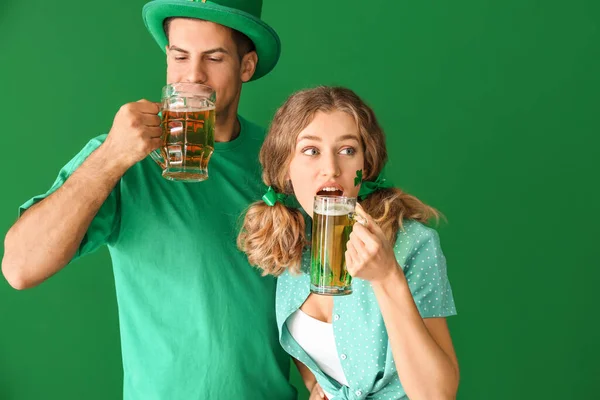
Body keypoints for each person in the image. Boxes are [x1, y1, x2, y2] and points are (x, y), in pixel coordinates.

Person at [2, 0, 297, 399]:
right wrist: (109, 158)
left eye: (213, 57)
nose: (192, 76)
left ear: (246, 66)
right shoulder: (120, 156)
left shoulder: (285, 160)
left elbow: (312, 293)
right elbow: (20, 267)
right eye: (180, 56)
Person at [238, 86, 459, 400]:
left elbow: (438, 395)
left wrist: (387, 277)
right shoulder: (288, 246)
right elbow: (314, 354)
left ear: (364, 166)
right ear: (286, 167)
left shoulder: (412, 243)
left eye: (347, 150)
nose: (331, 169)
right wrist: (318, 387)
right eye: (311, 151)